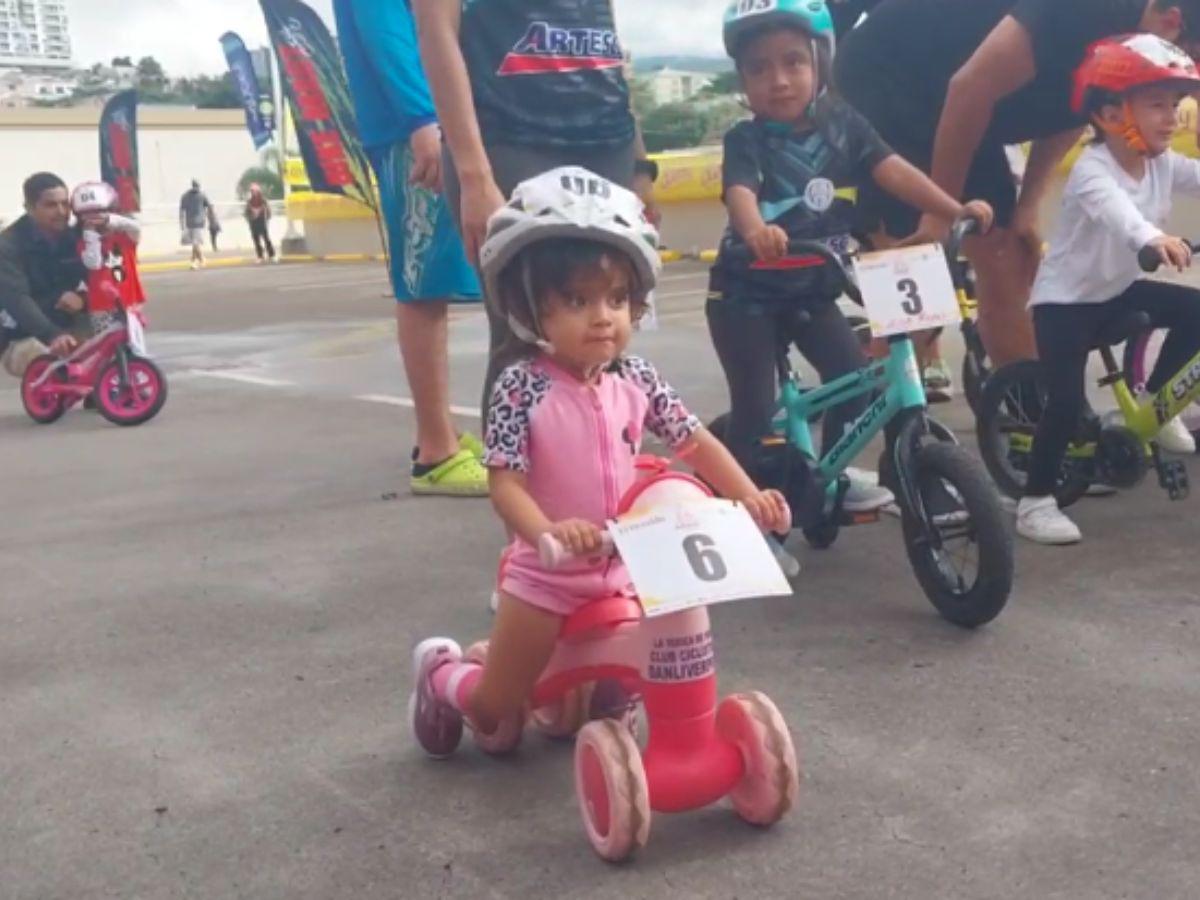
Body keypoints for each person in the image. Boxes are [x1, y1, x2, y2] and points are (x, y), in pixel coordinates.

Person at [408, 169, 790, 757]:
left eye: (617, 300)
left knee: (631, 674)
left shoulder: (636, 377)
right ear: (529, 308)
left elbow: (693, 441)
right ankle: (441, 677)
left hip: (627, 567)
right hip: (547, 578)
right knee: (495, 711)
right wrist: (546, 534)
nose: (603, 317)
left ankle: (599, 707)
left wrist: (746, 495)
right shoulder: (520, 387)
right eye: (578, 301)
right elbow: (504, 483)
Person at [707, 0, 993, 512]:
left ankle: (828, 478)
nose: (779, 80)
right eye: (759, 68)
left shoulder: (844, 124)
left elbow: (894, 170)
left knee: (852, 383)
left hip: (815, 287)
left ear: (820, 61)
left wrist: (953, 208)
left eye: (793, 62)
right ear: (743, 81)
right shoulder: (745, 140)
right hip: (745, 294)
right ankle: (746, 517)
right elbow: (740, 194)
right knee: (755, 409)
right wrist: (756, 230)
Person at [835, 0, 1200, 391]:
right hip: (889, 75)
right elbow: (968, 89)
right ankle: (894, 395)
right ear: (1171, 20)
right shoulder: (1087, 11)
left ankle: (1032, 411)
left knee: (1006, 251)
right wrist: (939, 211)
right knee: (911, 251)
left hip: (965, 98)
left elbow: (1073, 113)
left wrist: (1027, 205)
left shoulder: (1132, 49)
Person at [414, 0, 661, 421]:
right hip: (509, 139)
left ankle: (604, 478)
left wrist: (640, 164)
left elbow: (605, 33)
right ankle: (517, 485)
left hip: (608, 142)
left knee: (606, 337)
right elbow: (437, 32)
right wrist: (475, 176)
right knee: (525, 335)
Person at [1015, 35, 1200, 545]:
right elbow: (1119, 215)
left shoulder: (1161, 163)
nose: (1171, 117)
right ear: (1109, 113)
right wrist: (1154, 237)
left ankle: (1156, 405)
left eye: (1176, 105)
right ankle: (1034, 502)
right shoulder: (1094, 171)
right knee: (1066, 403)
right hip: (1065, 305)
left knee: (1196, 311)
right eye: (1157, 105)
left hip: (1117, 291)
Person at [333, 0, 489, 497]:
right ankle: (435, 450)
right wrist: (424, 120)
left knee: (435, 285)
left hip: (438, 121)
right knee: (423, 286)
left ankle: (443, 434)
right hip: (419, 129)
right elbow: (386, 30)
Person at [0, 172, 86, 377]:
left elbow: (102, 276)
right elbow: (17, 301)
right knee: (56, 368)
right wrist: (52, 334)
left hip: (65, 324)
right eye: (51, 205)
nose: (61, 211)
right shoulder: (8, 246)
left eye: (65, 204)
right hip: (21, 335)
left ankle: (99, 390)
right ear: (29, 208)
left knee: (112, 341)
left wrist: (83, 297)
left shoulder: (75, 239)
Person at [71, 181, 145, 334]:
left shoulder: (125, 237)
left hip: (130, 302)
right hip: (102, 306)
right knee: (109, 348)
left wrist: (109, 220)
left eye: (100, 211)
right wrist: (91, 234)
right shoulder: (84, 242)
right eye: (86, 214)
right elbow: (94, 264)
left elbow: (136, 227)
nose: (94, 216)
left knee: (134, 347)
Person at [179, 179, 213, 271]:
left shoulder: (185, 196)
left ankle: (194, 262)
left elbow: (181, 211)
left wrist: (181, 223)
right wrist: (211, 219)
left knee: (195, 243)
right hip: (199, 222)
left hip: (190, 222)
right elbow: (209, 206)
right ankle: (201, 259)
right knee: (195, 243)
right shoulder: (202, 195)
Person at [243, 183, 277, 265]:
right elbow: (246, 213)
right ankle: (260, 256)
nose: (253, 192)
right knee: (256, 240)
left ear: (258, 191)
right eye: (252, 191)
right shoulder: (249, 202)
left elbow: (268, 211)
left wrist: (267, 218)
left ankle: (271, 255)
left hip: (262, 222)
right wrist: (251, 216)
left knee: (266, 239)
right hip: (253, 223)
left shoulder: (263, 200)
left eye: (254, 191)